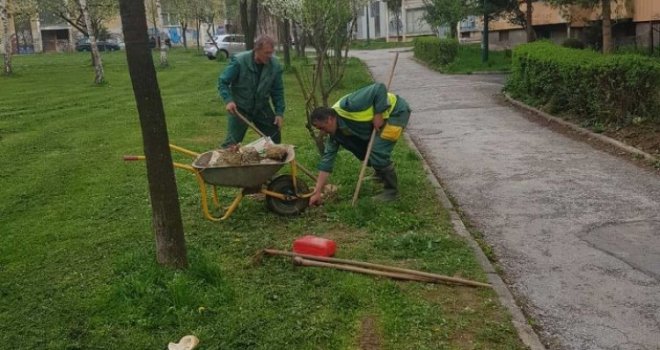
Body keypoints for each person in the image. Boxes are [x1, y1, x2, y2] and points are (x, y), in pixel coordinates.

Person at [308, 83, 411, 205]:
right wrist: (317, 192)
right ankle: (379, 174)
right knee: (362, 150)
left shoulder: (350, 104)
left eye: (322, 128)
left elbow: (379, 88)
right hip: (376, 122)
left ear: (330, 119)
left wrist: (378, 114)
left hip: (395, 112)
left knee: (376, 150)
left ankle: (391, 191)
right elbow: (327, 160)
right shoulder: (334, 134)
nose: (323, 132)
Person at [217, 35, 285, 148]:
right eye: (266, 53)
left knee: (274, 138)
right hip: (240, 108)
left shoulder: (275, 66)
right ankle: (226, 163)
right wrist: (228, 100)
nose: (270, 56)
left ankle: (267, 163)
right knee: (231, 144)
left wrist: (279, 113)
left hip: (261, 107)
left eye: (271, 53)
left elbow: (277, 90)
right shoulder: (239, 61)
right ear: (256, 50)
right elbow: (223, 81)